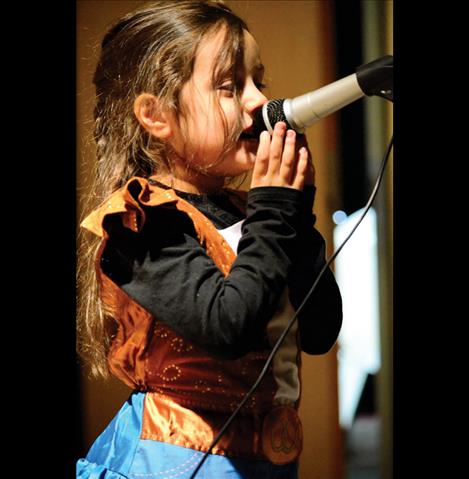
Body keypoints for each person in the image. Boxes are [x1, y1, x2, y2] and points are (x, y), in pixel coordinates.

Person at [76, 1, 342, 478]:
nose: (260, 100)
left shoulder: (255, 214)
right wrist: (275, 212)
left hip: (265, 461)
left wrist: (296, 216)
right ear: (157, 116)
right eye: (229, 86)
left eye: (260, 81)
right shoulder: (141, 222)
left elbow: (320, 331)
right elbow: (228, 327)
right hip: (172, 462)